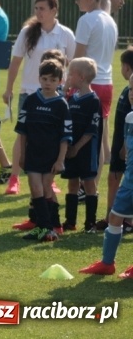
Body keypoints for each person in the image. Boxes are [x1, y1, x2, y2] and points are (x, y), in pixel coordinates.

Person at [1, 0, 76, 195]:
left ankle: (49, 179)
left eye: (42, 8)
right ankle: (14, 178)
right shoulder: (27, 32)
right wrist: (8, 89)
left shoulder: (66, 34)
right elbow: (15, 62)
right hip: (29, 92)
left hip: (55, 96)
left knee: (51, 138)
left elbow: (72, 65)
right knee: (23, 135)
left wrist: (67, 88)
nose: (38, 12)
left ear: (54, 10)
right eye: (36, 8)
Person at [14, 59, 71, 243]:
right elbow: (22, 132)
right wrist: (22, 154)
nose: (48, 83)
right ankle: (47, 227)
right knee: (35, 187)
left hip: (51, 156)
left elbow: (65, 136)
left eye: (53, 80)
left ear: (60, 82)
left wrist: (60, 160)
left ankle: (50, 226)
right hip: (32, 154)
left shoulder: (61, 105)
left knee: (46, 187)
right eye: (44, 78)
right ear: (39, 79)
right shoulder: (31, 101)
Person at [69, 0, 118, 187]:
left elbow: (78, 57)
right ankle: (91, 187)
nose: (77, 2)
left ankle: (82, 185)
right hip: (106, 83)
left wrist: (68, 83)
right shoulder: (110, 20)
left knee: (81, 137)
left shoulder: (87, 20)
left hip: (88, 83)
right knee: (97, 138)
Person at [80, 95, 133, 279]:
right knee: (115, 217)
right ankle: (107, 263)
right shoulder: (129, 117)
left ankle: (110, 263)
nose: (132, 94)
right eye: (131, 89)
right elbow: (126, 147)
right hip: (129, 181)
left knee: (117, 217)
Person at [62, 57, 102, 233]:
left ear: (81, 77)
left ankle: (90, 223)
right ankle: (70, 221)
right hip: (71, 149)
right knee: (72, 183)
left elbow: (91, 129)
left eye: (71, 74)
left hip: (86, 150)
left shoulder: (93, 101)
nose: (68, 77)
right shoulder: (72, 98)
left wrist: (76, 147)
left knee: (89, 184)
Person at [100, 49, 133, 231]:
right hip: (120, 143)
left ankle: (124, 220)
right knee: (113, 180)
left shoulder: (130, 91)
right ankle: (110, 217)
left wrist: (123, 147)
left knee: (122, 181)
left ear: (126, 67)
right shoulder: (126, 90)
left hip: (124, 146)